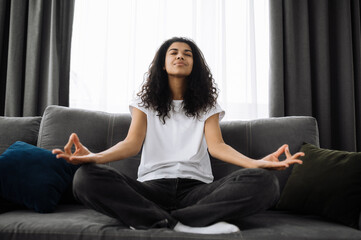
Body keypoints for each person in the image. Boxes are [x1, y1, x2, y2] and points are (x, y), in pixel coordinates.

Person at [52, 37, 304, 234]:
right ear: (163, 63)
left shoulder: (208, 105)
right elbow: (131, 144)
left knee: (266, 182)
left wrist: (257, 163)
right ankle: (181, 222)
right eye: (174, 52)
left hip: (198, 191)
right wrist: (94, 158)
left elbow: (218, 147)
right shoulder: (144, 103)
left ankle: (158, 220)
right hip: (150, 189)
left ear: (194, 65)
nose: (180, 56)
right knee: (84, 178)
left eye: (187, 53)